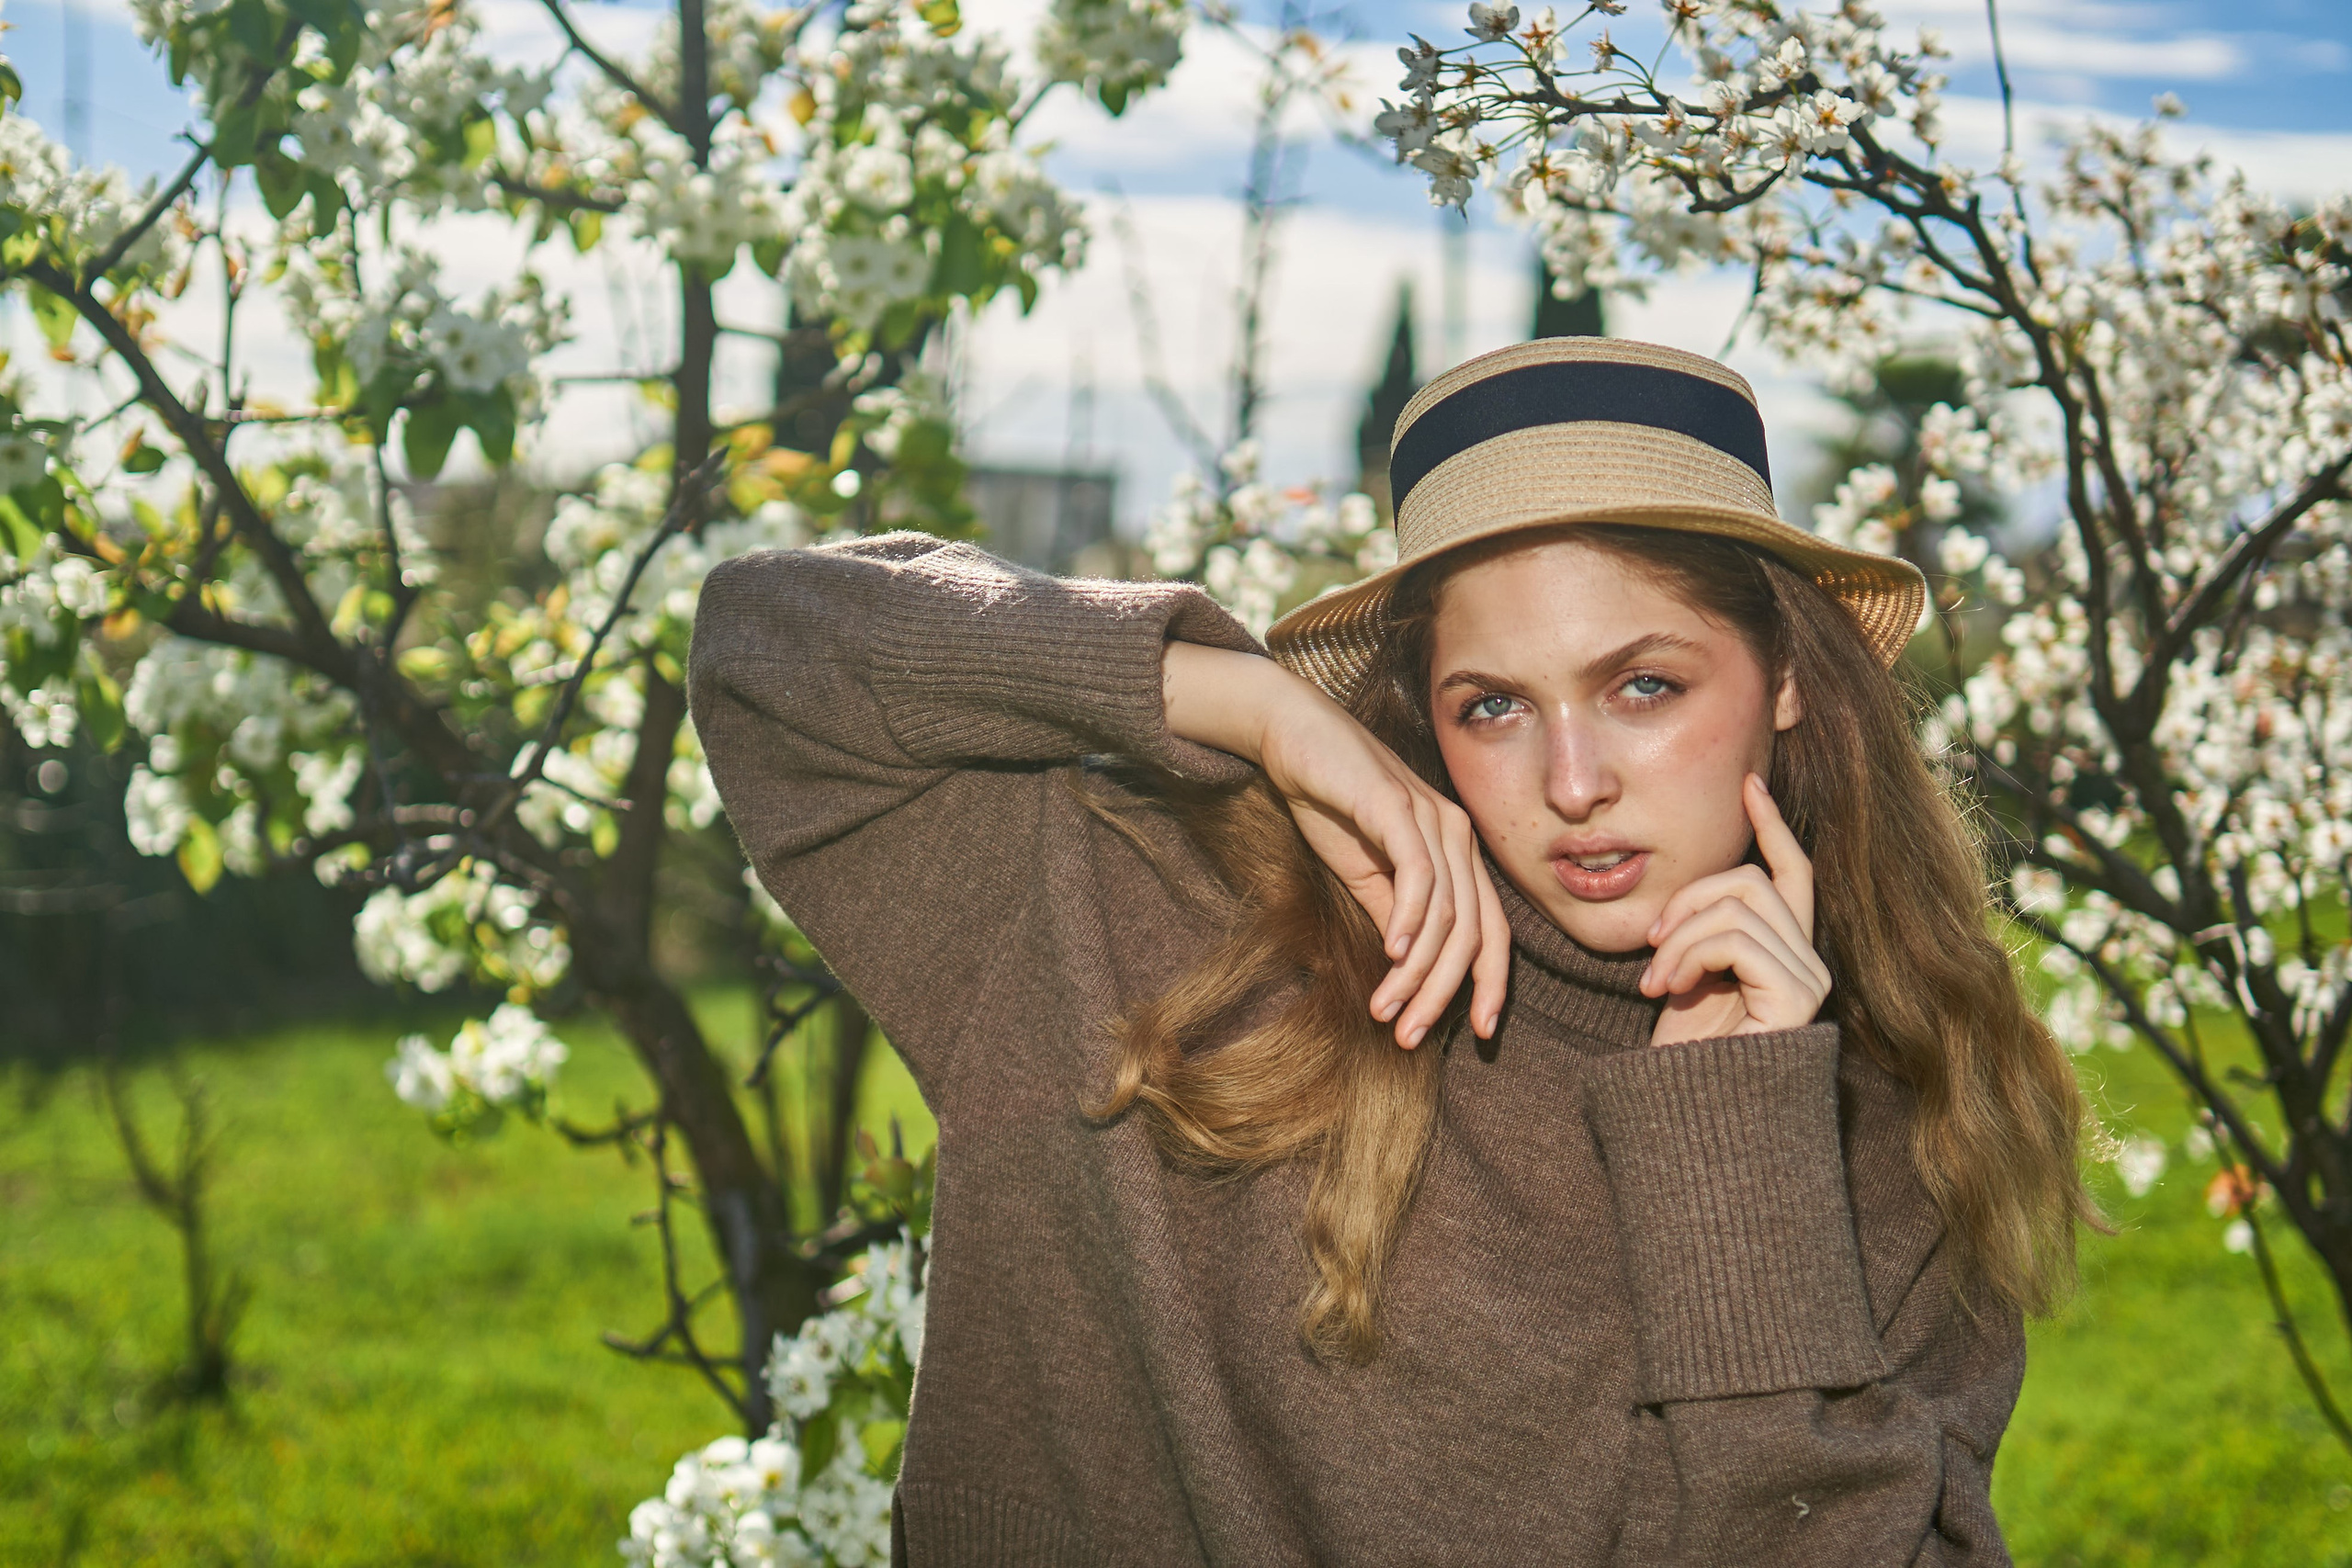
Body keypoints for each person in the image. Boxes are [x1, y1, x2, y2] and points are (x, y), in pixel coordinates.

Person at [689, 336, 2092, 1566]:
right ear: (1420, 709)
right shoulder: (1159, 923)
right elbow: (770, 651)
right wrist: (1248, 702)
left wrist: (1735, 1158)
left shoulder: (1903, 1128)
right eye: (1492, 706)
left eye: (1644, 685)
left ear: (1785, 679)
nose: (1574, 778)